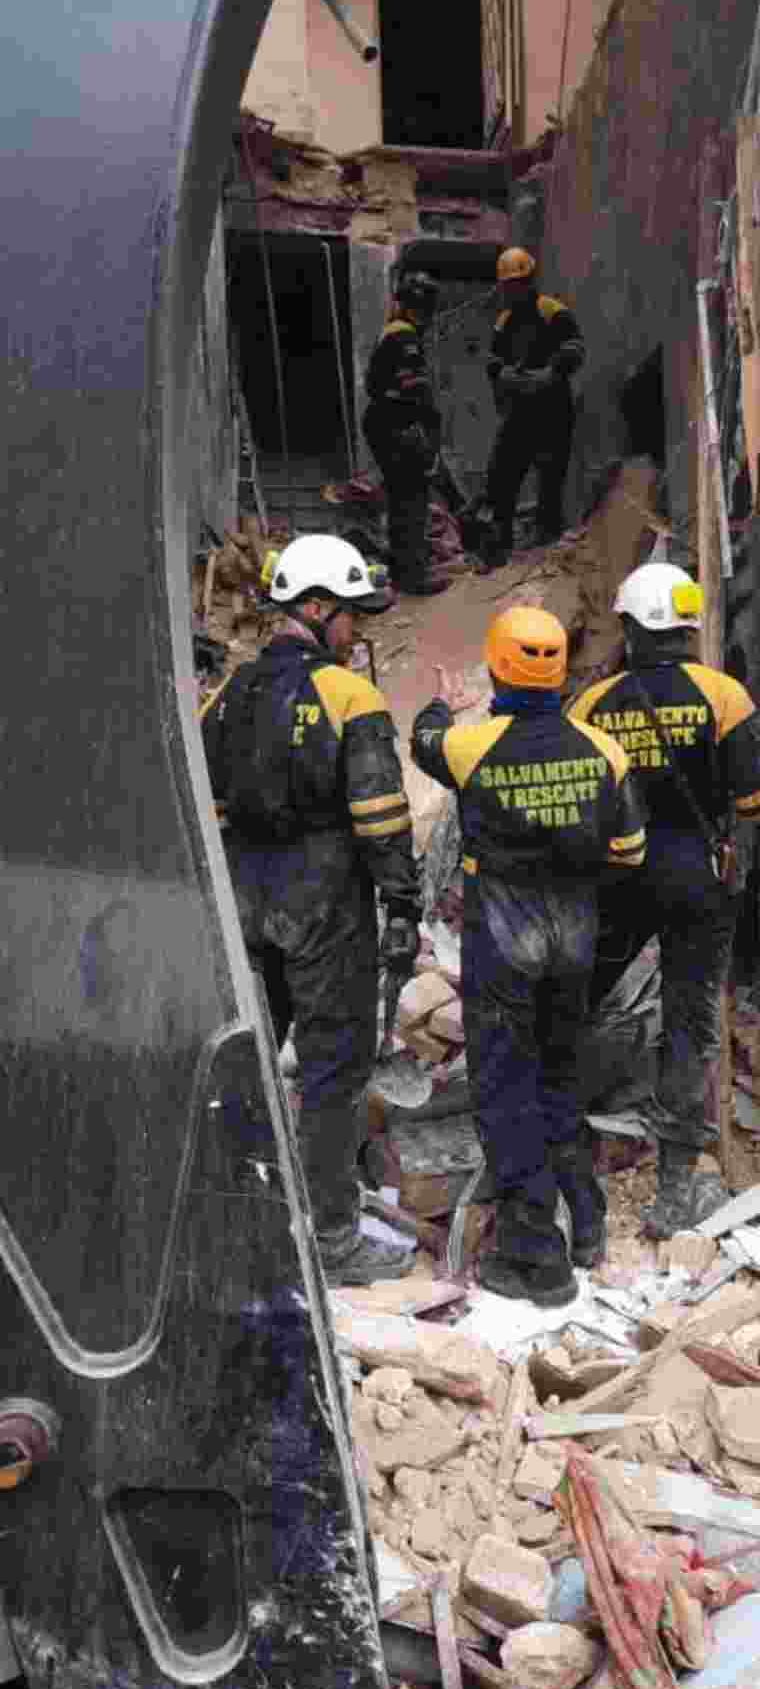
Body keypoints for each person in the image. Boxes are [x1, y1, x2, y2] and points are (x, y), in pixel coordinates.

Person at [569, 562, 760, 1238]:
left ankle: (557, 1153)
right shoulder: (722, 696)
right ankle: (673, 1191)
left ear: (629, 627)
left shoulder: (591, 706)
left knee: (571, 1004)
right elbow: (756, 800)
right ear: (688, 629)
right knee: (688, 1029)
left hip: (618, 877)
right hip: (698, 879)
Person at [201, 534, 422, 1284]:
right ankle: (331, 1238)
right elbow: (381, 814)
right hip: (325, 903)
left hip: (244, 897)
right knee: (334, 1070)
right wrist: (402, 903)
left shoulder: (229, 692)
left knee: (246, 1060)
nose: (356, 631)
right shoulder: (348, 696)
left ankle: (236, 1225)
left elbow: (205, 798)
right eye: (351, 614)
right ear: (319, 608)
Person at [410, 606, 646, 1305]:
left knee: (507, 1090)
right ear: (561, 670)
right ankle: (588, 1225)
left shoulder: (470, 748)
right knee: (560, 1078)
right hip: (574, 940)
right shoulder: (603, 751)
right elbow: (629, 851)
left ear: (496, 667)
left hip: (504, 943)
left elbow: (424, 742)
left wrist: (441, 703)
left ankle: (535, 1258)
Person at [476, 248, 585, 571]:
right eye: (508, 286)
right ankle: (499, 545)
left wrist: (551, 372)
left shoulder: (552, 311)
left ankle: (546, 539)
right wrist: (503, 375)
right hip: (519, 410)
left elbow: (575, 348)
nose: (512, 291)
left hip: (552, 407)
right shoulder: (504, 321)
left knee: (550, 474)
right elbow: (492, 360)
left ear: (529, 281)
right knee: (502, 474)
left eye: (517, 284)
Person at [362, 269, 450, 598]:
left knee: (401, 498)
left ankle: (402, 571)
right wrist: (429, 433)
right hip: (398, 425)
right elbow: (416, 390)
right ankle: (413, 576)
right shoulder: (405, 337)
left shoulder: (392, 332)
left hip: (384, 423)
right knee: (412, 498)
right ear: (422, 308)